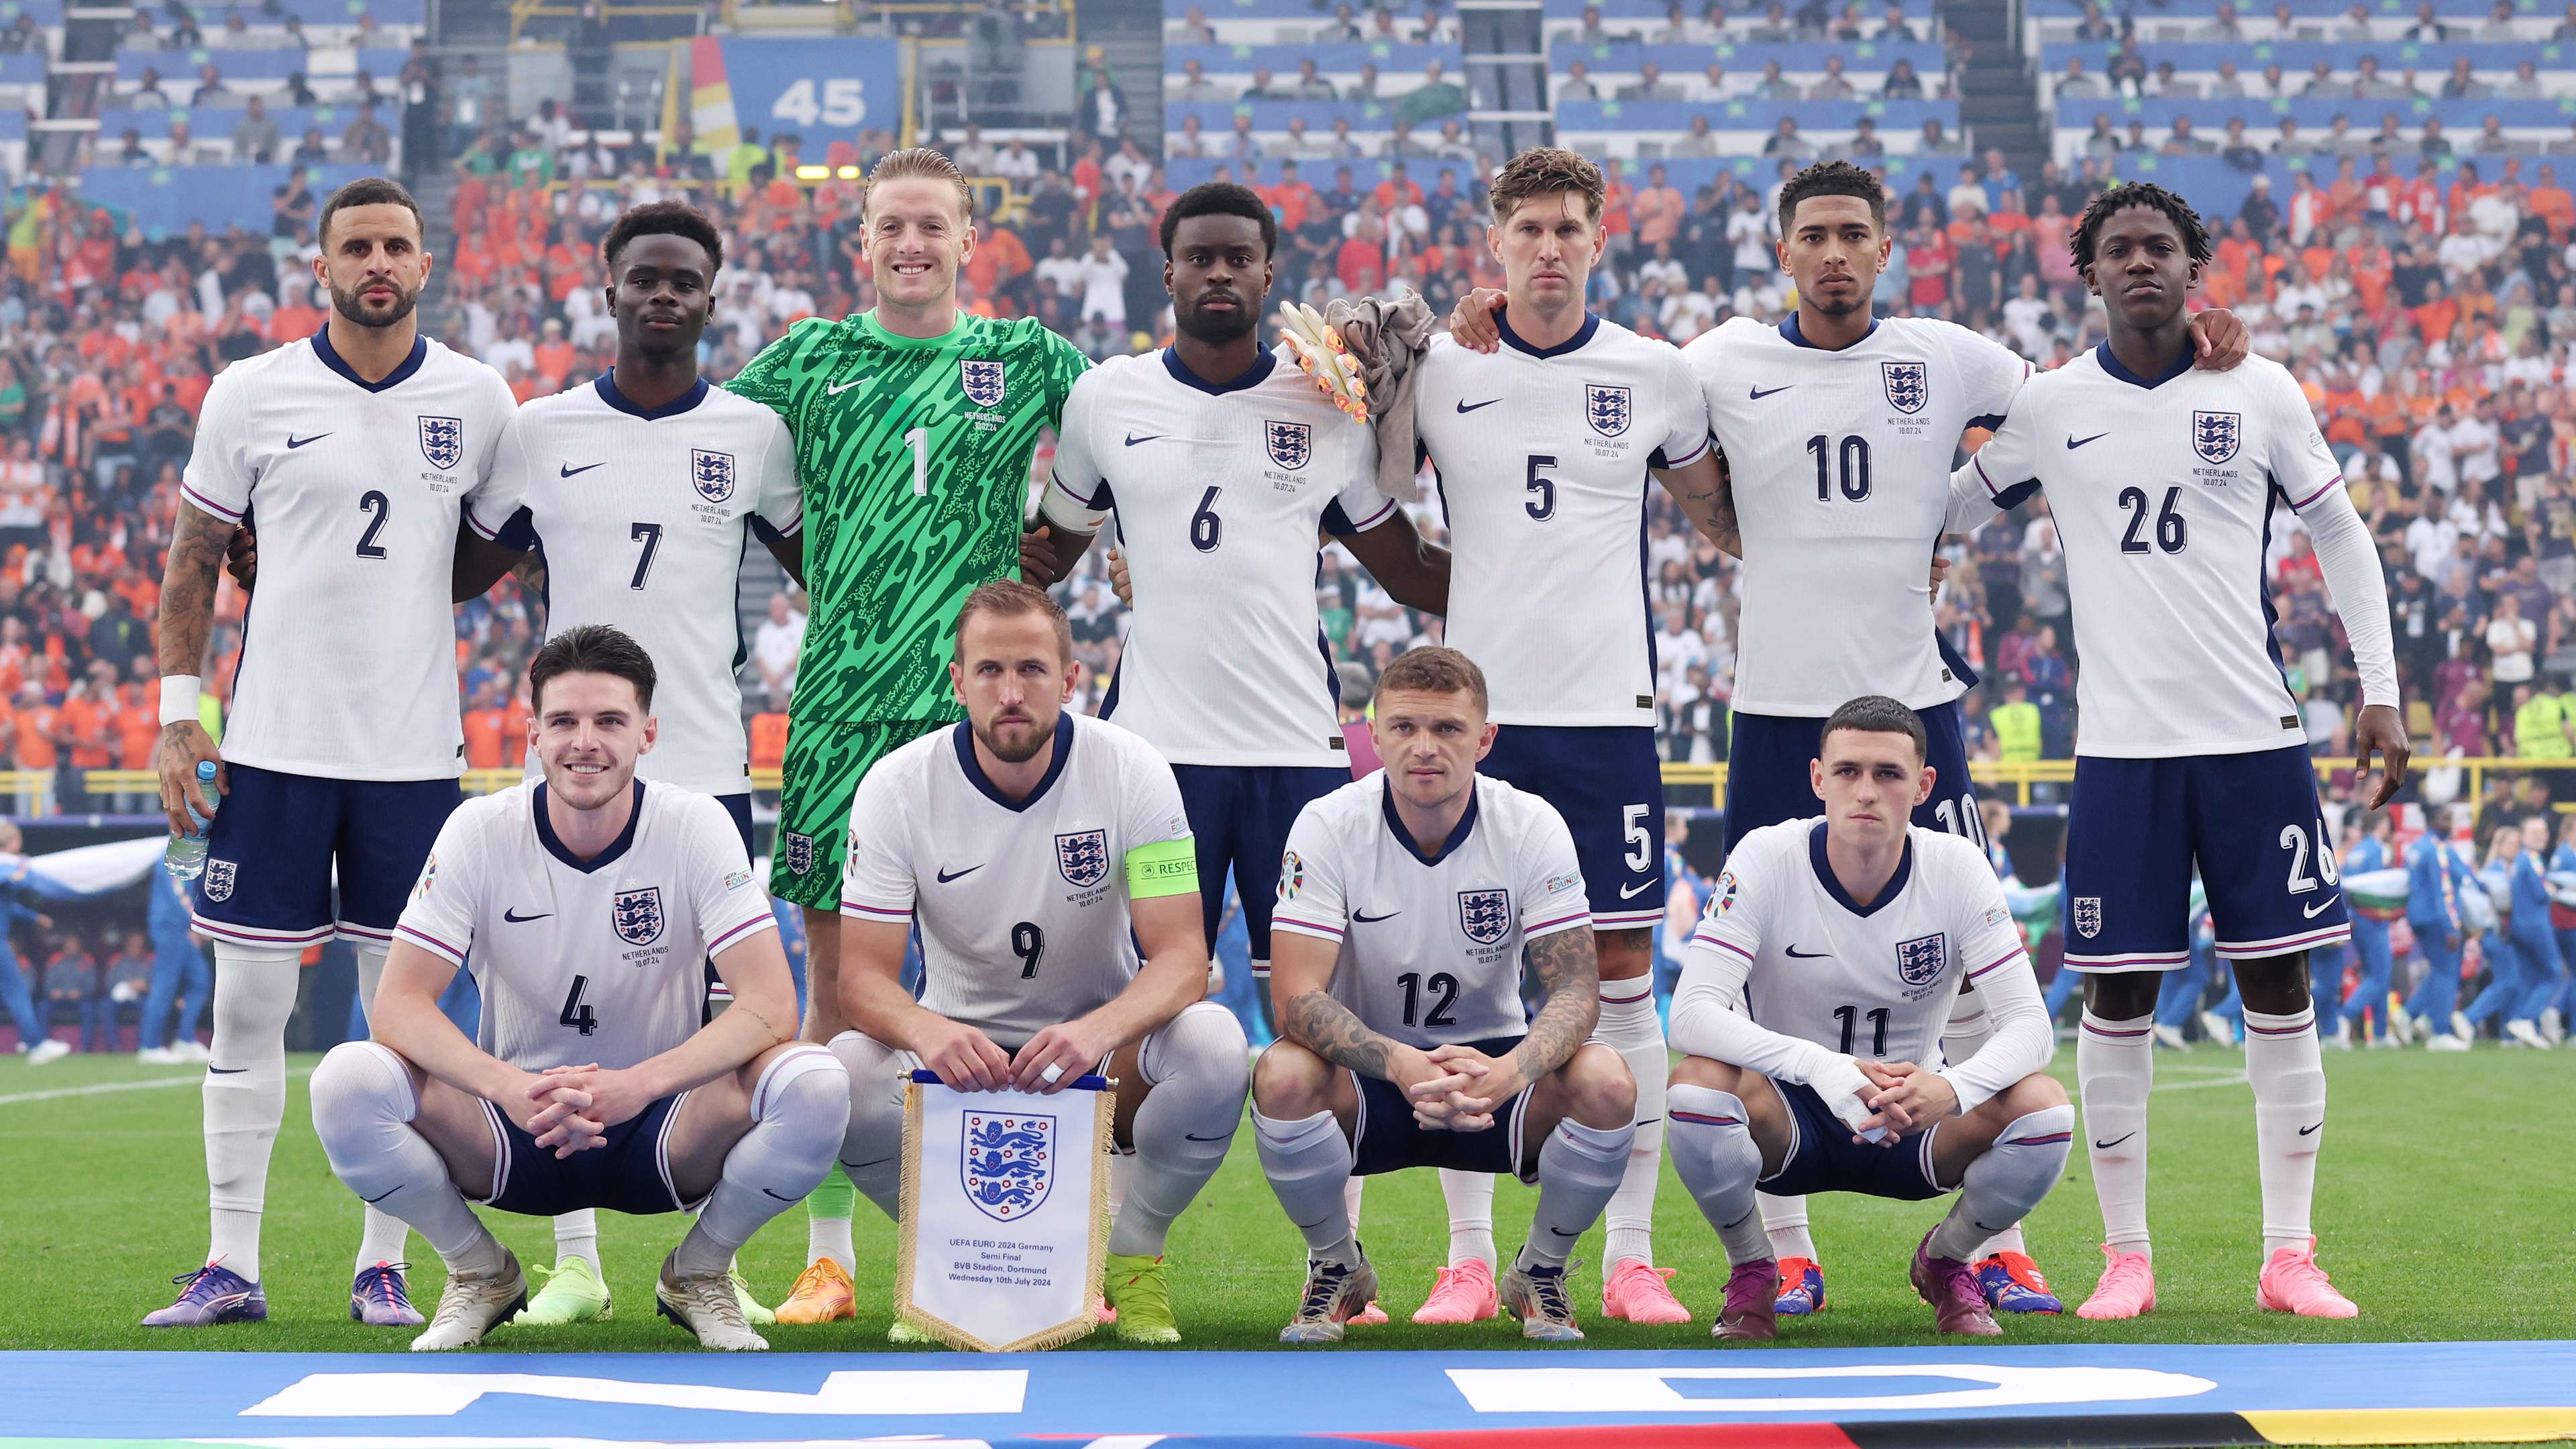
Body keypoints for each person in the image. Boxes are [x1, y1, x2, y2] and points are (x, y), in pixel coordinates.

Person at [1666, 158, 2242, 1320]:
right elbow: (1629, 412)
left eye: (1855, 234)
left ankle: (1998, 1242)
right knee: (1768, 968)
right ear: (1781, 250)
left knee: (1982, 988)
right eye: (1814, 234)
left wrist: (1958, 506)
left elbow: (2070, 411)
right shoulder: (1718, 359)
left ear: (1887, 251)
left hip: (1911, 706)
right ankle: (1787, 1250)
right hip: (1776, 709)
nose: (1834, 252)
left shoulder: (1950, 356)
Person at [1949, 181, 2408, 1321]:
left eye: (2161, 246)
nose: (2142, 261)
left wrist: (2381, 692)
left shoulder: (2258, 388)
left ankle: (2289, 1254)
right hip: (2122, 755)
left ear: (2195, 266)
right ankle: (2126, 1255)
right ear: (2089, 273)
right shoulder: (2053, 406)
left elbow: (2340, 538)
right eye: (2120, 249)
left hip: (2256, 740)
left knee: (2282, 984)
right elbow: (1949, 512)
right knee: (2116, 998)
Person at [1042, 182, 1453, 1324]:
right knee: (1138, 1011)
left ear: (1271, 277)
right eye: (1198, 259)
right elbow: (1050, 553)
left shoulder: (1328, 399)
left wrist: (1540, 562)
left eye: (1240, 260)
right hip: (1154, 775)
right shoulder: (1105, 399)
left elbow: (1408, 572)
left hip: (1300, 770)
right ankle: (1120, 1259)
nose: (1219, 275)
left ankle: (1340, 1262)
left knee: (1316, 1018)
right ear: (1164, 273)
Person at [721, 148, 1092, 1324]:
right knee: (839, 995)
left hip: (978, 707)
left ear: (968, 238)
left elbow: (1136, 433)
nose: (911, 245)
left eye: (933, 226)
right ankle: (828, 1257)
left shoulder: (1025, 355)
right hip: (838, 705)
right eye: (891, 227)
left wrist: (1087, 543)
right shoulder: (803, 360)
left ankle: (1038, 1243)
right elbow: (696, 455)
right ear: (862, 243)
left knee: (987, 976)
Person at [146, 176, 523, 1330]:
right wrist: (177, 714)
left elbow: (484, 557)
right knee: (248, 1010)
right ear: (320, 265)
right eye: (356, 245)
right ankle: (231, 1265)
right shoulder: (253, 391)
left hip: (413, 758)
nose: (378, 262)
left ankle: (384, 1265)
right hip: (271, 748)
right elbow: (193, 559)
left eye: (396, 246)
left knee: (400, 1019)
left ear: (424, 264)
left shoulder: (479, 397)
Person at [459, 200, 808, 1325]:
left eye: (684, 280)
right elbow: (461, 563)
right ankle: (572, 1260)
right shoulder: (539, 429)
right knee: (560, 1007)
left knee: (718, 1008)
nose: (664, 294)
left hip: (705, 764)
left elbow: (829, 563)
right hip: (572, 762)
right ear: (608, 291)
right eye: (644, 278)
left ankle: (709, 1260)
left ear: (712, 298)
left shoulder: (755, 433)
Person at [305, 627, 844, 1351]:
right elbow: (398, 1004)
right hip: (511, 1131)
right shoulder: (480, 829)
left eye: (610, 722)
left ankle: (699, 1271)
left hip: (666, 1126)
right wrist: (505, 1087)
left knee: (818, 1083)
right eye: (563, 722)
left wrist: (637, 1085)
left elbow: (771, 1006)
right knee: (344, 1080)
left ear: (647, 733)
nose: (584, 742)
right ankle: (477, 1272)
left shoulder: (694, 825)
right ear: (532, 734)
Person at [1409, 147, 1733, 1327]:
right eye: (1528, 228)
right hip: (1477, 723)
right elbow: (1362, 484)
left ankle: (1631, 1256)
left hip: (1608, 716)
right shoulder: (1439, 367)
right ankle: (1466, 1258)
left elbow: (1723, 519)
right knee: (1466, 986)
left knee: (1624, 985)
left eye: (1567, 229)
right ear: (1495, 242)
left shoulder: (1654, 373)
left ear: (1602, 241)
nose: (1548, 247)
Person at [830, 582, 1246, 1343]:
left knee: (1217, 1047)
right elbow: (859, 980)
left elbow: (1185, 957)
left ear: (1071, 678)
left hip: (1104, 1057)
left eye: (1031, 669)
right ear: (957, 681)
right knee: (845, 1072)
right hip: (960, 1064)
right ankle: (946, 1266)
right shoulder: (896, 786)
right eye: (989, 670)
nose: (1011, 692)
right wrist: (930, 1033)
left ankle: (1134, 1256)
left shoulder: (1134, 769)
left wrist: (1096, 1032)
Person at [1252, 645, 1636, 1342]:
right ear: (1373, 734)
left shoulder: (1531, 824)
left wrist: (1510, 1071)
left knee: (1608, 1082)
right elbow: (1295, 998)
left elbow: (1578, 990)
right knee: (1280, 1074)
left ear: (1485, 739)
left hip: (1492, 1074)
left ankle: (1540, 1271)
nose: (1424, 748)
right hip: (1374, 1072)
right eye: (1403, 728)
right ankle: (1338, 1268)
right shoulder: (1329, 823)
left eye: (1449, 730)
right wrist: (1399, 1063)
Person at [1666, 696, 2069, 1341]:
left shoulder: (1959, 866)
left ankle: (1945, 1260)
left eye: (1888, 774)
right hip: (1791, 1116)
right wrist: (1819, 1066)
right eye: (1848, 771)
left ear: (1923, 785)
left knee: (2045, 1107)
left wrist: (1952, 1088)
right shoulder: (1766, 856)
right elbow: (1689, 1015)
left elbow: (2031, 1025)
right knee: (1695, 1085)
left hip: (1912, 1118)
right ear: (1818, 779)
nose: (1866, 792)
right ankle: (1754, 1270)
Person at [2328, 814, 2396, 1046]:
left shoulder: (2356, 852)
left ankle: (2379, 1033)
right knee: (2380, 976)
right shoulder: (2378, 850)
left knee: (2376, 975)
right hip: (2373, 919)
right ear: (2382, 824)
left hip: (2356, 919)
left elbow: (2345, 884)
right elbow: (2378, 886)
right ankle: (2344, 1017)